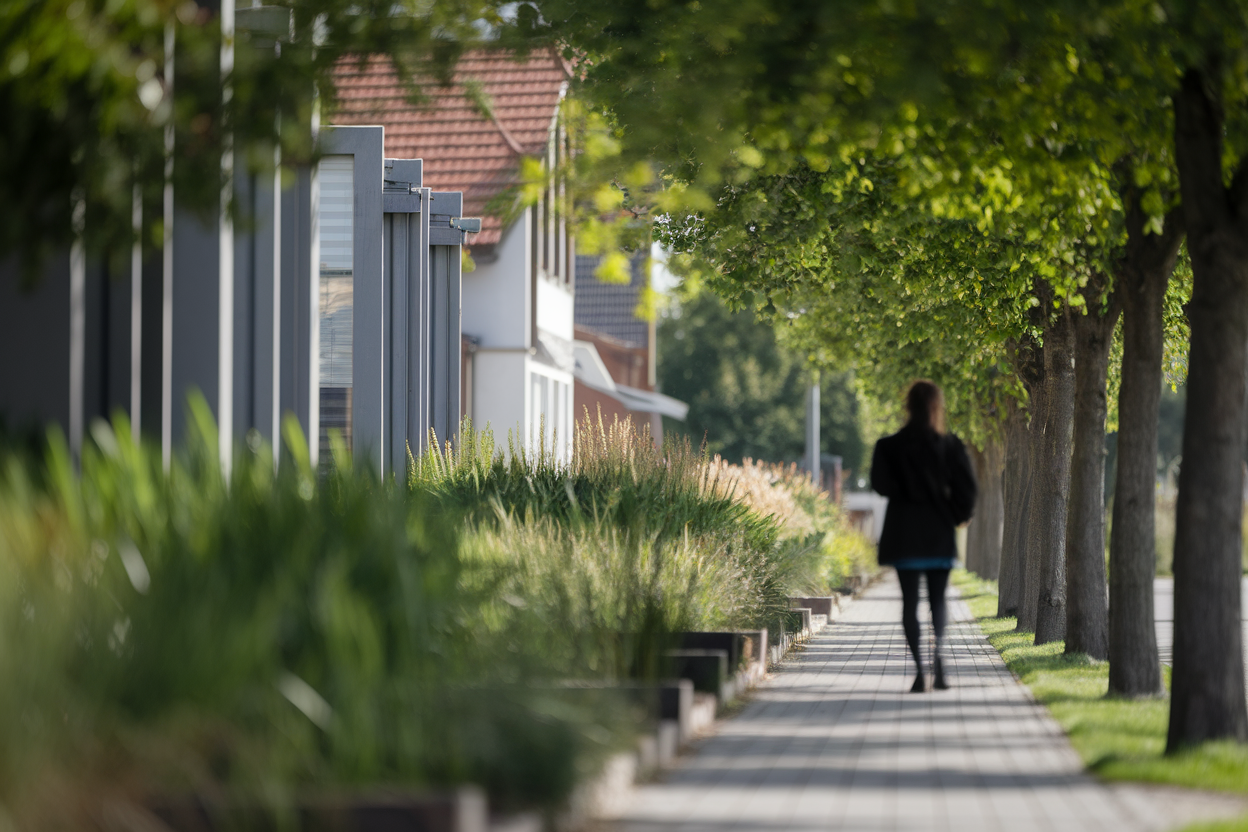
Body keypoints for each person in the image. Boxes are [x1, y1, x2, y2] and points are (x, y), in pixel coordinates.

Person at [870, 380, 977, 693]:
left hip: (904, 533)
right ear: (936, 407)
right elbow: (967, 488)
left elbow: (880, 483)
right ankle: (939, 656)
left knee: (910, 603)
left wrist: (905, 491)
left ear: (908, 406)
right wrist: (957, 514)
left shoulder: (888, 446)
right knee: (938, 601)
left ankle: (919, 669)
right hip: (939, 532)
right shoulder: (950, 445)